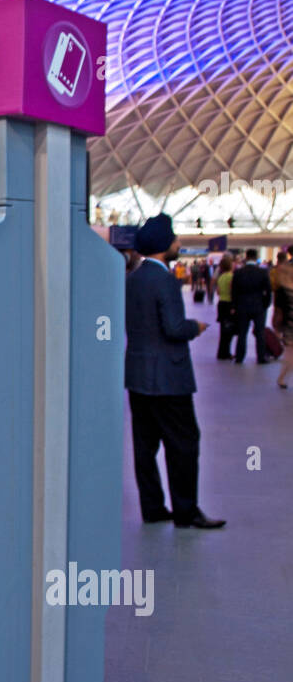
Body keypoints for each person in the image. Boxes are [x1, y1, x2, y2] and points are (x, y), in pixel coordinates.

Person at [125, 213, 224, 529]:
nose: (179, 242)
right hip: (170, 377)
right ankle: (185, 510)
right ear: (163, 245)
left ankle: (153, 507)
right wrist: (196, 326)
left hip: (139, 375)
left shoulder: (133, 279)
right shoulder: (165, 280)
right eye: (175, 238)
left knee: (145, 445)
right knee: (184, 443)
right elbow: (173, 327)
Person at [231, 247, 273, 364]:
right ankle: (261, 357)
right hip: (258, 306)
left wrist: (234, 305)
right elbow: (268, 291)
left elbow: (234, 291)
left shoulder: (238, 272)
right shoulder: (262, 272)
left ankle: (239, 357)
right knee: (260, 333)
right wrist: (266, 304)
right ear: (256, 258)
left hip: (242, 306)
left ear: (246, 257)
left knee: (242, 333)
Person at [271, 253, 293, 390]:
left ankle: (282, 378)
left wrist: (276, 326)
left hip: (289, 322)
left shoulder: (281, 289)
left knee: (290, 351)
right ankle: (282, 378)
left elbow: (278, 310)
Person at [215, 253, 235, 360]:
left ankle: (221, 352)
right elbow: (232, 291)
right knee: (229, 330)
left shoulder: (221, 277)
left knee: (223, 329)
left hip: (221, 303)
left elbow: (218, 292)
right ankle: (226, 352)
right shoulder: (231, 277)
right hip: (228, 304)